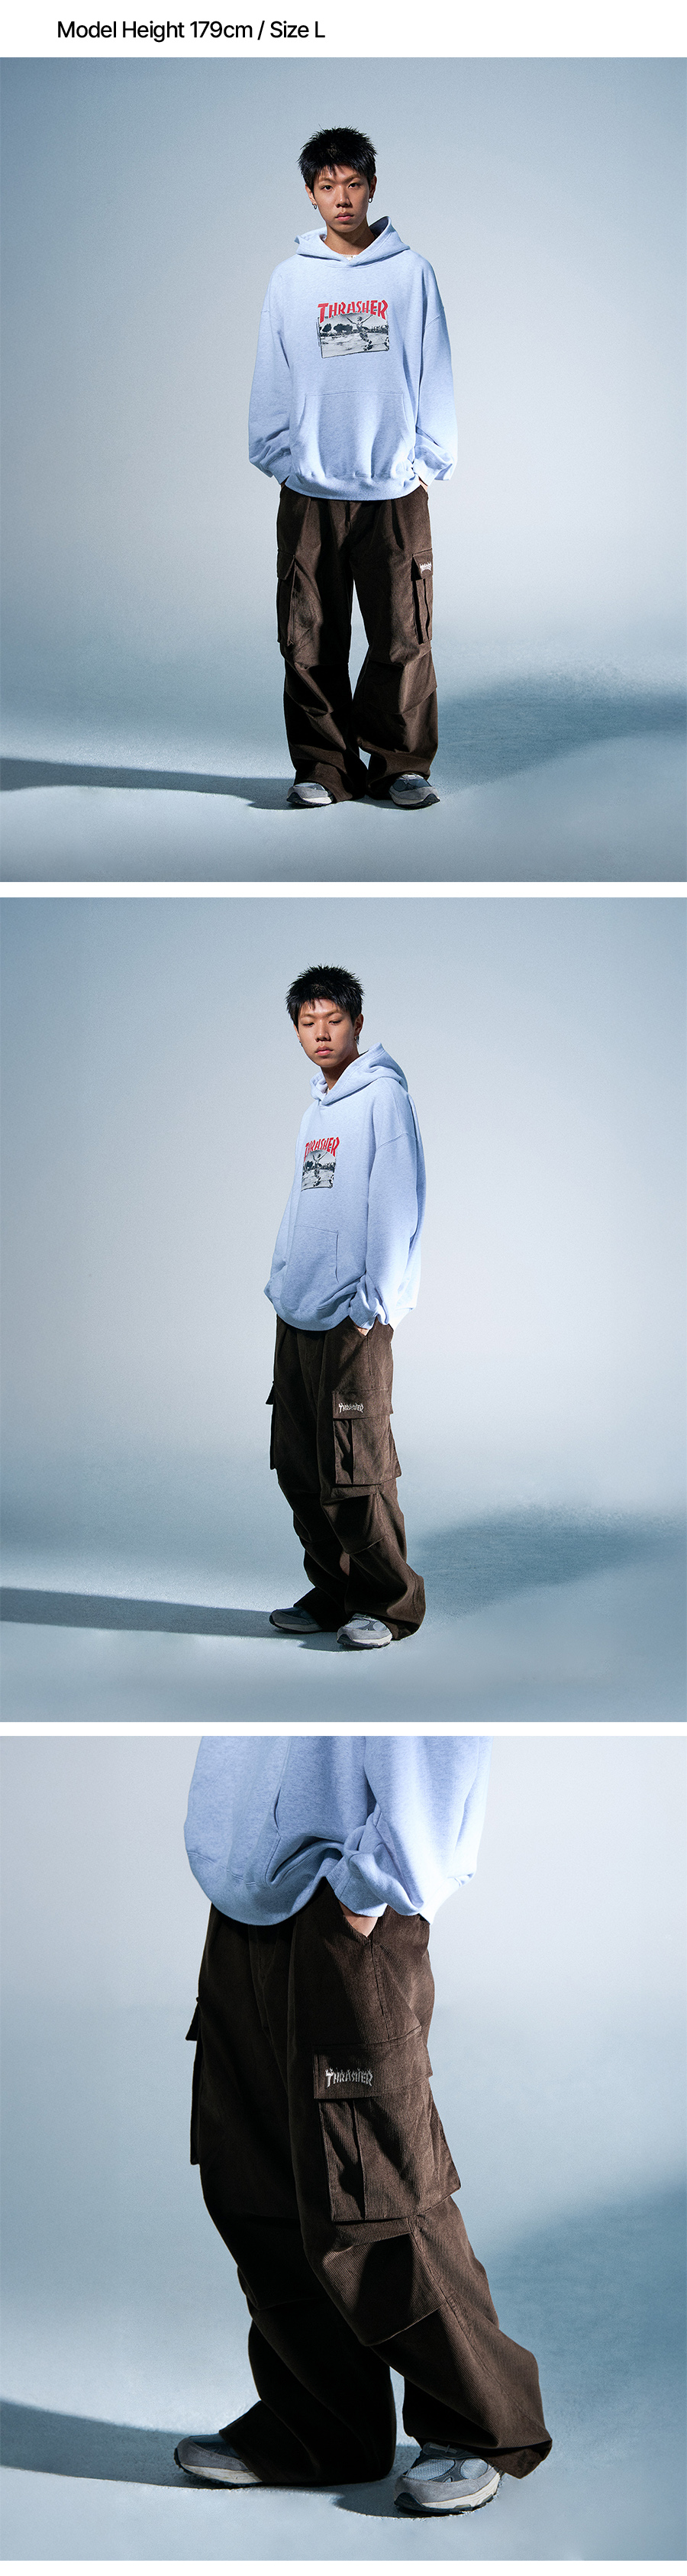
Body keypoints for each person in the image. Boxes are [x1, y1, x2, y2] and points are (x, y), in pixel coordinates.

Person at [176, 1735, 553, 2513]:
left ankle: (479, 2423)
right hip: (247, 1898)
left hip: (345, 1906)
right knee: (254, 2179)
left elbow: (439, 1737)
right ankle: (321, 2423)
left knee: (375, 2191)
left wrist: (373, 1886)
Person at [248, 124, 457, 810]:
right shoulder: (291, 280)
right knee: (308, 636)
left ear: (372, 187)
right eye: (327, 186)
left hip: (394, 490)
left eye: (354, 184)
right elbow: (272, 374)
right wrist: (282, 458)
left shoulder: (411, 273)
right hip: (309, 491)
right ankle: (323, 767)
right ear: (310, 195)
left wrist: (427, 462)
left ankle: (400, 764)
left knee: (403, 633)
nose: (342, 198)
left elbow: (435, 370)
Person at [265, 962, 425, 1650]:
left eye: (334, 1019)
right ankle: (334, 1592)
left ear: (358, 1022)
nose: (321, 1033)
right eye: (308, 1023)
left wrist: (371, 1306)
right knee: (300, 1465)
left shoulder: (383, 1098)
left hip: (351, 1318)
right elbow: (304, 1205)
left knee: (355, 1467)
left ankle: (390, 1604)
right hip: (297, 1311)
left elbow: (396, 1205)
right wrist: (280, 1279)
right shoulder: (316, 1110)